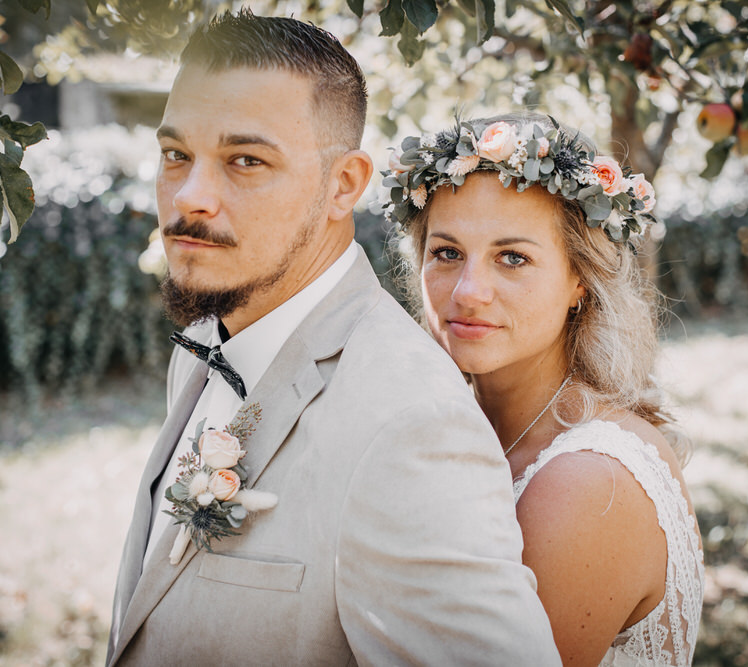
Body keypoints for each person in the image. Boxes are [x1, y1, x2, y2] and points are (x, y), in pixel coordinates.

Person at [106, 13, 561, 666]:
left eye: (245, 160)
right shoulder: (204, 342)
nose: (190, 196)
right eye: (176, 154)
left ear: (343, 185)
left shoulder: (409, 427)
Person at [386, 112, 705, 666]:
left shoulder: (589, 483)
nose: (469, 291)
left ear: (579, 282)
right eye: (446, 252)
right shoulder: (458, 427)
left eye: (513, 258)